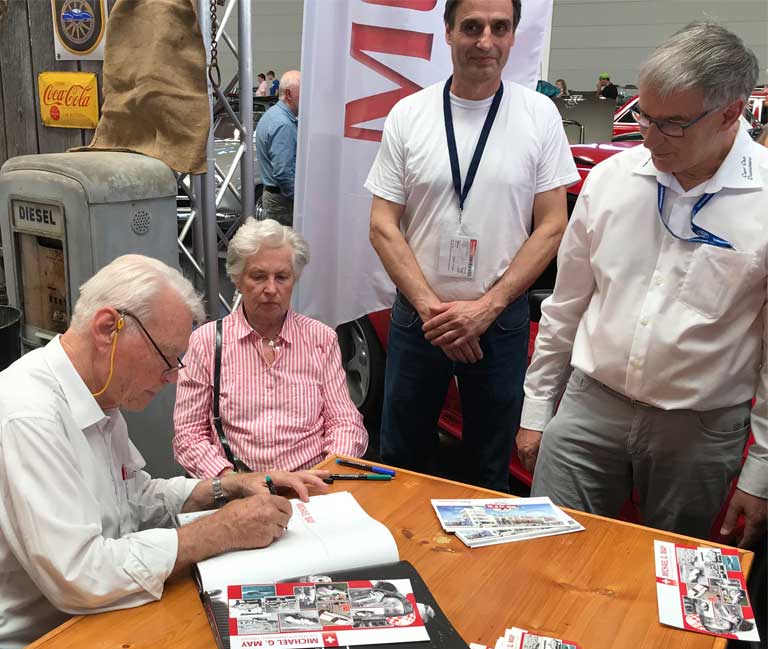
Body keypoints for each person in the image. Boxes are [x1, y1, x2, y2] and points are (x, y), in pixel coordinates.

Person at [0, 254, 330, 649]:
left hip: (88, 617)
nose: (174, 378)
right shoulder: (26, 415)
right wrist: (221, 530)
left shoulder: (97, 397)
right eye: (167, 358)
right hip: (23, 639)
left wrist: (229, 487)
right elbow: (78, 576)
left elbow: (133, 498)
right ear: (108, 328)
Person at [517, 22, 768, 547]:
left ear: (730, 113)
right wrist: (538, 411)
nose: (649, 139)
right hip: (589, 405)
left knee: (669, 580)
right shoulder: (613, 180)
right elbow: (565, 307)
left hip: (698, 430)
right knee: (547, 552)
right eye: (644, 117)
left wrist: (761, 469)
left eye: (672, 124)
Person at [365, 0, 579, 491]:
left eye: (499, 28)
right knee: (401, 457)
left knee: (491, 462)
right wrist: (433, 310)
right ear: (448, 32)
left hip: (498, 321)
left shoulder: (539, 115)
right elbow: (382, 224)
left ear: (513, 35)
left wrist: (485, 308)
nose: (486, 41)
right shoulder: (409, 114)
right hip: (420, 319)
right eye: (472, 27)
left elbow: (551, 224)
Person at [174, 218, 368, 476]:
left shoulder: (321, 339)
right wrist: (232, 482)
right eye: (258, 276)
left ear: (294, 279)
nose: (271, 289)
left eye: (282, 277)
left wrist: (327, 472)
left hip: (312, 485)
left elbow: (345, 422)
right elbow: (189, 435)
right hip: (238, 488)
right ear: (237, 280)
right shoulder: (207, 342)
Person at [255, 70, 301, 226]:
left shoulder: (271, 115)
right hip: (283, 203)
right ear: (288, 94)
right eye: (303, 93)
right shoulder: (284, 125)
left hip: (274, 198)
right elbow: (283, 172)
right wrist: (301, 200)